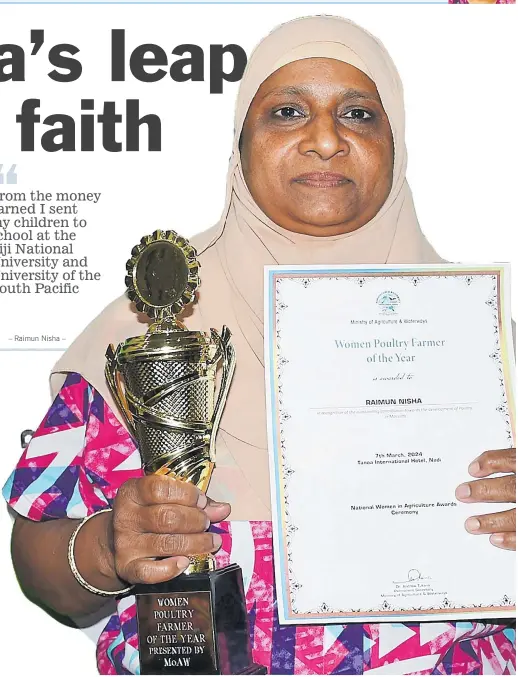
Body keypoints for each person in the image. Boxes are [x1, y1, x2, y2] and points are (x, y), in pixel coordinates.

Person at [3, 16, 515, 676]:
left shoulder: (483, 347)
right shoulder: (144, 337)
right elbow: (38, 561)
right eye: (288, 111)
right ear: (241, 144)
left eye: (359, 114)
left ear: (398, 144)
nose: (326, 139)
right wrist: (108, 543)